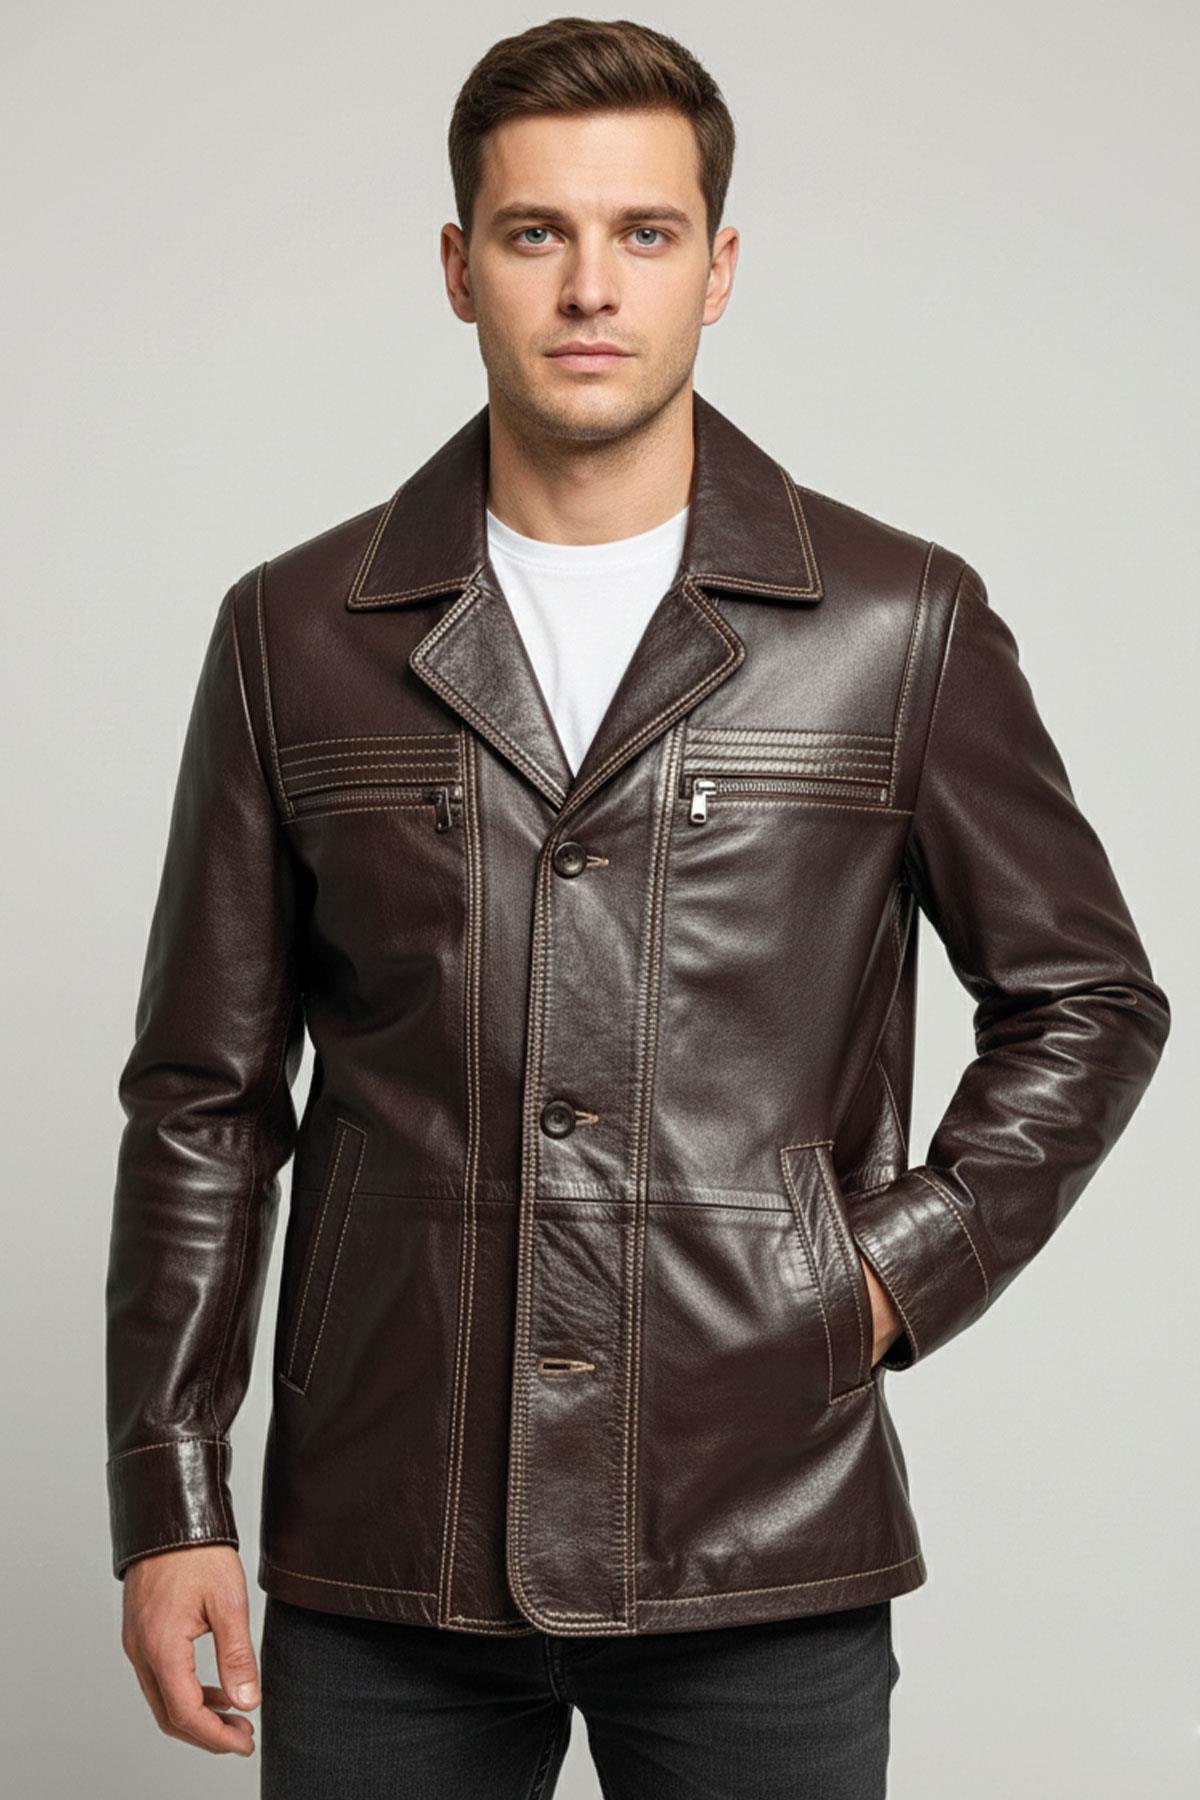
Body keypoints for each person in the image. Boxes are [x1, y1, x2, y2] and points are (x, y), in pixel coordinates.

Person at [104, 17, 1171, 1798]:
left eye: (644, 233)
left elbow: (1091, 1000)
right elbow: (203, 1099)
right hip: (385, 1526)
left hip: (762, 1523)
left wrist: (877, 1280)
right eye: (536, 232)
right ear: (460, 267)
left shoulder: (895, 625)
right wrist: (170, 1496)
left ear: (717, 268)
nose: (590, 285)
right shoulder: (293, 633)